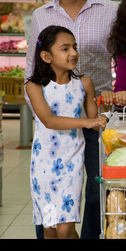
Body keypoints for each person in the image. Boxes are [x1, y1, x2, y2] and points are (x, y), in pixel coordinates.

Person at [24, 0, 118, 239]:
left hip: (97, 116)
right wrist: (43, 111)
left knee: (95, 191)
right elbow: (32, 65)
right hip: (55, 126)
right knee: (50, 205)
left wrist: (115, 101)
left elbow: (123, 59)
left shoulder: (110, 10)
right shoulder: (41, 16)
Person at [26, 25, 107, 239]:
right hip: (43, 166)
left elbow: (96, 120)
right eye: (65, 48)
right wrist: (87, 122)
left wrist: (104, 112)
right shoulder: (34, 86)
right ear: (46, 56)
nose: (73, 53)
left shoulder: (84, 84)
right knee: (49, 229)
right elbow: (49, 120)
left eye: (74, 47)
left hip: (71, 161)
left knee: (65, 228)